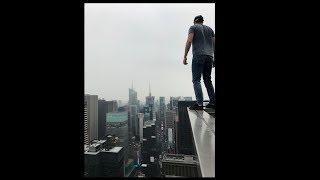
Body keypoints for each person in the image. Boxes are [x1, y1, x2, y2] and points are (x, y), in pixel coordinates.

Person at [183, 15, 215, 110]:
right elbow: (214, 44)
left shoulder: (193, 28)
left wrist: (185, 55)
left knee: (196, 80)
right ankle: (213, 102)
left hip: (199, 56)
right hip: (209, 56)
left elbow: (189, 41)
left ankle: (199, 104)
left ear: (195, 21)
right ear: (202, 21)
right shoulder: (210, 29)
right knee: (208, 80)